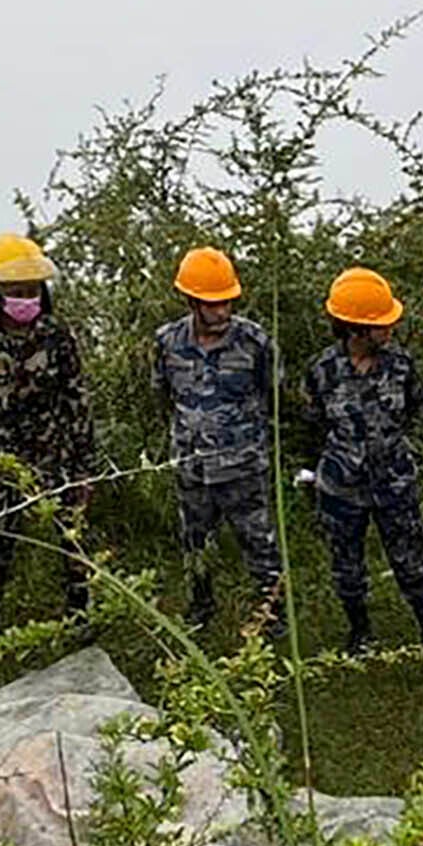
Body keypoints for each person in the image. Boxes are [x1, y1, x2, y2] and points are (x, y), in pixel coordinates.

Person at [300, 267, 423, 672]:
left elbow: (414, 409)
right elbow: (314, 422)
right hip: (341, 487)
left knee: (413, 564)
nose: (391, 328)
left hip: (393, 482)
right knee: (346, 567)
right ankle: (360, 632)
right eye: (382, 323)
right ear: (356, 328)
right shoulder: (322, 371)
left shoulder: (402, 364)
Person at [0, 234, 98, 636]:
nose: (24, 298)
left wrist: (85, 468)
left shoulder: (57, 335)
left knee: (72, 536)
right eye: (15, 291)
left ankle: (80, 614)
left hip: (56, 455)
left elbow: (78, 400)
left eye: (31, 290)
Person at [152, 247, 283, 636]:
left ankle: (272, 616)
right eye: (212, 304)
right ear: (192, 301)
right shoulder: (167, 342)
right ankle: (200, 608)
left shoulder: (255, 342)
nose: (222, 311)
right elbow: (162, 396)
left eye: (227, 301)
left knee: (260, 544)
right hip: (191, 466)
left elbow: (274, 394)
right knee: (195, 543)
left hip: (243, 465)